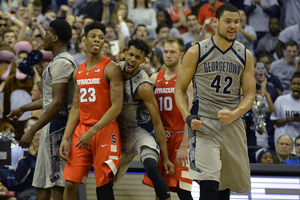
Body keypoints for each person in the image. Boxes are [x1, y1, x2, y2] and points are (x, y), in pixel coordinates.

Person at [175, 4, 255, 200]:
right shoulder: (197, 51)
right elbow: (179, 89)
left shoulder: (245, 55)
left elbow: (250, 95)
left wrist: (235, 114)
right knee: (209, 182)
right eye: (228, 21)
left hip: (232, 125)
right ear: (216, 22)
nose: (233, 26)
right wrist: (187, 116)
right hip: (205, 124)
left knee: (224, 185)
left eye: (236, 22)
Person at [7, 19, 76, 200]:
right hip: (51, 125)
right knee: (43, 183)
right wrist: (23, 107)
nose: (43, 36)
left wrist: (32, 130)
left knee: (57, 183)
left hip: (58, 127)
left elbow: (58, 103)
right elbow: (48, 100)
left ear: (54, 37)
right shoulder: (57, 62)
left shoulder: (63, 63)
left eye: (46, 32)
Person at [59, 21, 123, 200]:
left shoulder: (111, 68)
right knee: (70, 183)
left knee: (103, 184)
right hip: (82, 130)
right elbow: (75, 108)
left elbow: (117, 106)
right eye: (93, 37)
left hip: (104, 129)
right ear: (84, 40)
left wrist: (93, 131)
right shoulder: (78, 71)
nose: (98, 40)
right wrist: (66, 137)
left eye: (101, 38)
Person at [113, 38, 174, 200]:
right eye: (131, 55)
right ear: (125, 52)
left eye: (138, 57)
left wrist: (166, 157)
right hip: (116, 131)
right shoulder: (113, 69)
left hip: (139, 132)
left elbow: (157, 122)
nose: (132, 59)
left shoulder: (144, 86)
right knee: (106, 181)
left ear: (143, 60)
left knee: (151, 167)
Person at [143, 37, 193, 199]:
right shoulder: (154, 78)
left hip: (180, 137)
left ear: (181, 55)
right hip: (160, 139)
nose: (168, 55)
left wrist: (185, 145)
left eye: (173, 52)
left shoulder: (187, 80)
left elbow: (190, 115)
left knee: (184, 190)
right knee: (160, 190)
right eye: (166, 52)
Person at [270, 72, 300, 147]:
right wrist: (288, 119)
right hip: (283, 140)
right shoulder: (281, 100)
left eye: (299, 84)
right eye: (293, 84)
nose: (296, 86)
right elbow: (274, 122)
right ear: (290, 86)